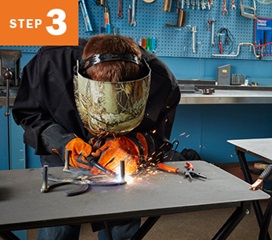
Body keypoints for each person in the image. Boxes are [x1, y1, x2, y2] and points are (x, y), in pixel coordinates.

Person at [12, 34, 181, 240]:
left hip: (119, 164)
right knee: (59, 228)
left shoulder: (162, 83)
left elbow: (159, 139)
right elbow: (29, 114)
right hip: (62, 154)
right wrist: (61, 141)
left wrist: (135, 146)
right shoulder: (50, 63)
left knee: (121, 228)